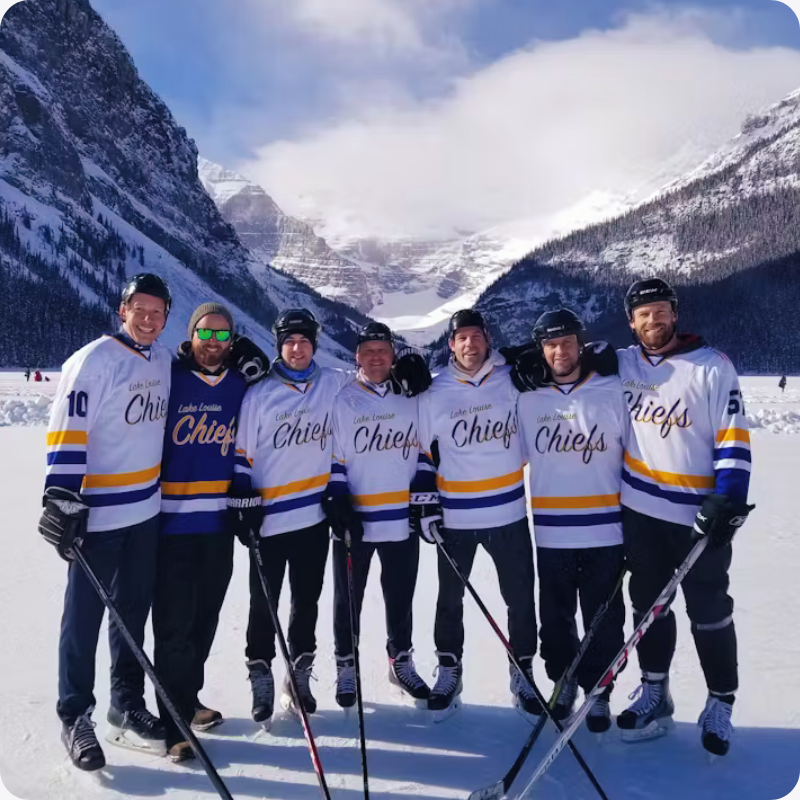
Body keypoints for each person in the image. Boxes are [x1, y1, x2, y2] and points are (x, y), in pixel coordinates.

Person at [229, 309, 431, 729]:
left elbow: (374, 374)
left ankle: (299, 675)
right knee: (262, 604)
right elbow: (243, 454)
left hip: (313, 518)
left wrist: (412, 363)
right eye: (290, 342)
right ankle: (261, 673)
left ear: (315, 345)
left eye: (305, 341)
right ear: (279, 345)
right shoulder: (259, 393)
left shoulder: (333, 383)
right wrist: (242, 497)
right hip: (269, 519)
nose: (298, 349)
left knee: (307, 603)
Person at [38, 273, 173, 771]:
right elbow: (67, 434)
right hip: (98, 516)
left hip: (146, 512)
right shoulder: (92, 361)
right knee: (84, 618)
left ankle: (126, 704)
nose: (148, 318)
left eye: (158, 311)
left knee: (132, 615)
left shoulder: (161, 359)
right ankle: (75, 714)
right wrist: (62, 502)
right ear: (123, 309)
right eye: (140, 308)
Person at [615, 278, 754, 757]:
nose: (653, 321)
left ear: (674, 314)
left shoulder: (712, 367)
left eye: (661, 311)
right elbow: (567, 357)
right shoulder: (621, 362)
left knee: (710, 611)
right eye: (643, 314)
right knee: (648, 609)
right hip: (639, 513)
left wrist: (729, 499)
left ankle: (720, 702)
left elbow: (733, 437)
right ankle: (655, 691)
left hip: (696, 518)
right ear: (631, 322)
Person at [152, 303, 267, 763]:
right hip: (171, 523)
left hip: (218, 524)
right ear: (191, 333)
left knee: (205, 620)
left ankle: (188, 698)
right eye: (206, 333)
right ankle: (173, 721)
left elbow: (291, 384)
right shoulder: (171, 376)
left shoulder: (241, 382)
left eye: (223, 336)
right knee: (174, 627)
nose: (213, 344)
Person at [414, 309, 538, 721]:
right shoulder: (435, 392)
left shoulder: (511, 379)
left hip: (509, 514)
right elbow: (422, 453)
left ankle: (523, 671)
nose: (469, 344)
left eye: (475, 336)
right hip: (456, 519)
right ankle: (450, 669)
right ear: (450, 345)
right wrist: (426, 505)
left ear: (488, 339)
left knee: (520, 599)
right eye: (460, 338)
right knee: (449, 600)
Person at [516, 308, 627, 734]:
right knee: (556, 615)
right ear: (539, 350)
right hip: (552, 529)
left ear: (581, 343)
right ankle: (562, 682)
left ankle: (599, 691)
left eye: (566, 342)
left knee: (604, 615)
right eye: (550, 344)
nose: (559, 351)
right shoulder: (527, 397)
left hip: (605, 526)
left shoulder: (611, 389)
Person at [324, 322, 432, 711]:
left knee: (400, 595)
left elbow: (424, 450)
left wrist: (423, 500)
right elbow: (335, 455)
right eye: (367, 350)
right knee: (347, 599)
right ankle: (346, 665)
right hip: (357, 520)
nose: (375, 357)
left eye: (382, 350)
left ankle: (400, 660)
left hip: (400, 517)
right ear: (356, 356)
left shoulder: (412, 397)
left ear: (393, 354)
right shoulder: (344, 399)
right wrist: (338, 498)